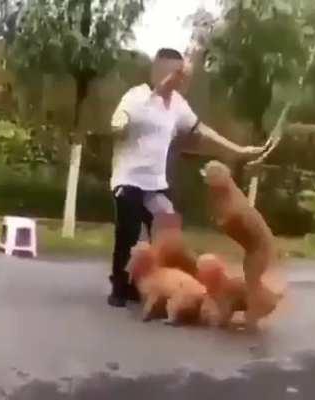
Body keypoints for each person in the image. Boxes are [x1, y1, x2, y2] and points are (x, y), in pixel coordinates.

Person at [108, 48, 265, 307]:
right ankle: (119, 285)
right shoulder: (136, 97)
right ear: (159, 71)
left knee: (169, 237)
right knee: (128, 232)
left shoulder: (178, 105)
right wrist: (119, 125)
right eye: (175, 73)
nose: (179, 79)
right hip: (128, 180)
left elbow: (202, 130)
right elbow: (118, 120)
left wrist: (239, 150)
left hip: (156, 185)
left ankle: (160, 283)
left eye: (181, 75)